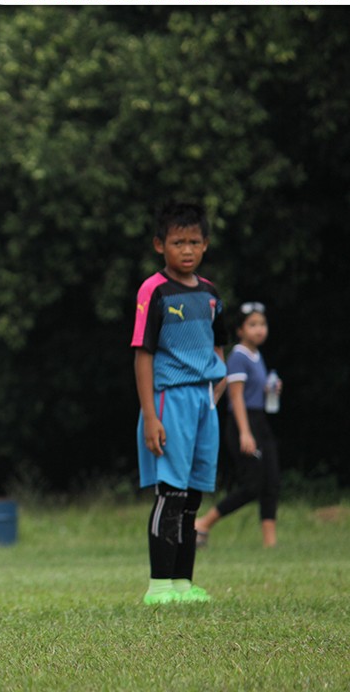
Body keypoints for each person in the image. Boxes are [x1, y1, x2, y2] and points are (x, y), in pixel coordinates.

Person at [131, 201, 227, 605]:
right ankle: (159, 586)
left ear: (205, 245)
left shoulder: (209, 293)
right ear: (160, 245)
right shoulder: (153, 291)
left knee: (192, 497)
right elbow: (142, 354)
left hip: (204, 405)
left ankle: (184, 585)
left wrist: (214, 395)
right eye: (177, 242)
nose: (186, 250)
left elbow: (220, 346)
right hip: (169, 400)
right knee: (169, 494)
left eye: (194, 242)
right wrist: (151, 415)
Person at [195, 302, 281, 548]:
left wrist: (270, 389)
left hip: (260, 421)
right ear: (240, 330)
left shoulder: (257, 356)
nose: (259, 329)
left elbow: (255, 393)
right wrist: (245, 433)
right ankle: (203, 523)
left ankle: (270, 544)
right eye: (252, 325)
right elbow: (236, 397)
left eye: (262, 324)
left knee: (271, 481)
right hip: (243, 423)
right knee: (253, 484)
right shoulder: (238, 357)